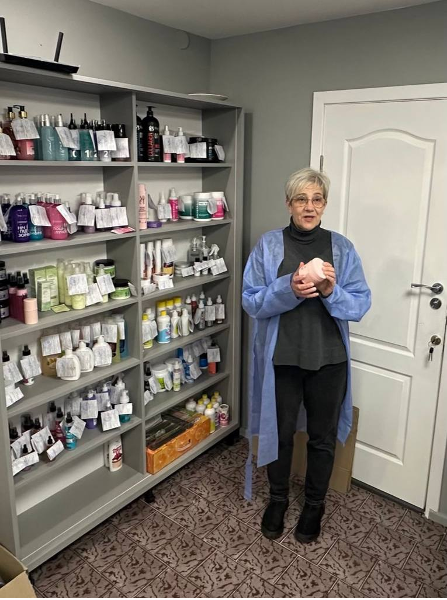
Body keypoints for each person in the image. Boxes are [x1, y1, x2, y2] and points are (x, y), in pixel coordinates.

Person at [242, 167, 371, 543]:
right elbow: (251, 300)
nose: (309, 206)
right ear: (289, 204)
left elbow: (360, 303)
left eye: (317, 199)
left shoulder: (341, 248)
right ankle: (278, 499)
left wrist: (330, 291)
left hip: (329, 360)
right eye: (301, 199)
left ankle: (315, 504)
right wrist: (290, 289)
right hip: (282, 359)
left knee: (321, 438)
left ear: (325, 205)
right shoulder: (269, 246)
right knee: (280, 434)